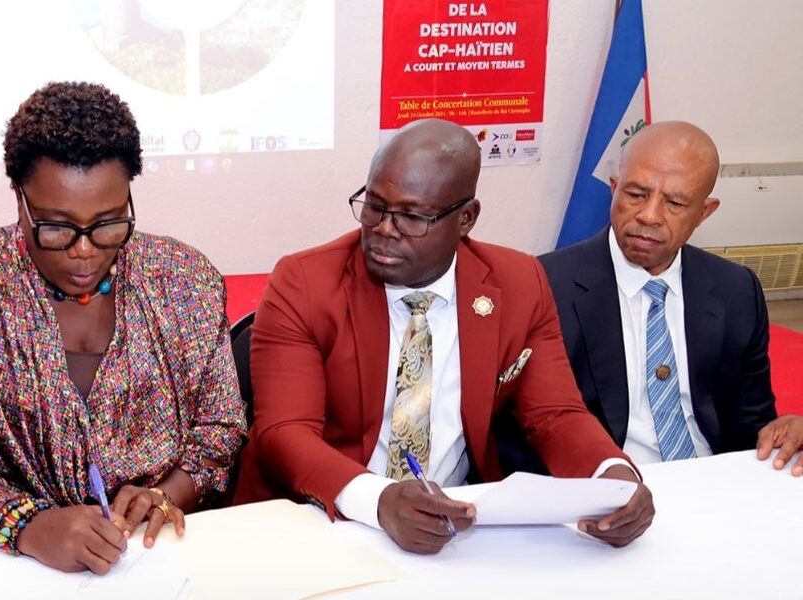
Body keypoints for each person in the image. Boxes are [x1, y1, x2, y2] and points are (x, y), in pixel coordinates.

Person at [233, 118, 654, 555]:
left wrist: (613, 479)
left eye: (412, 216)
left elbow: (555, 414)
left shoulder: (519, 283)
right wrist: (378, 500)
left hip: (454, 526)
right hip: (317, 518)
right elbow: (285, 431)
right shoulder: (305, 282)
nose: (384, 229)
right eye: (374, 206)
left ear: (466, 218)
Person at [0, 82, 246, 574]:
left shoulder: (184, 279)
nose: (85, 250)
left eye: (109, 224)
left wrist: (166, 492)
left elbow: (219, 429)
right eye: (56, 227)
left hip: (145, 560)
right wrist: (25, 525)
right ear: (20, 200)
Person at [529, 121, 802, 475]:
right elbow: (526, 429)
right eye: (635, 194)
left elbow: (752, 422)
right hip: (604, 481)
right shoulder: (545, 285)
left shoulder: (736, 289)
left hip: (712, 479)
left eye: (675, 202)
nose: (649, 215)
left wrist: (784, 431)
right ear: (614, 188)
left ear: (705, 212)